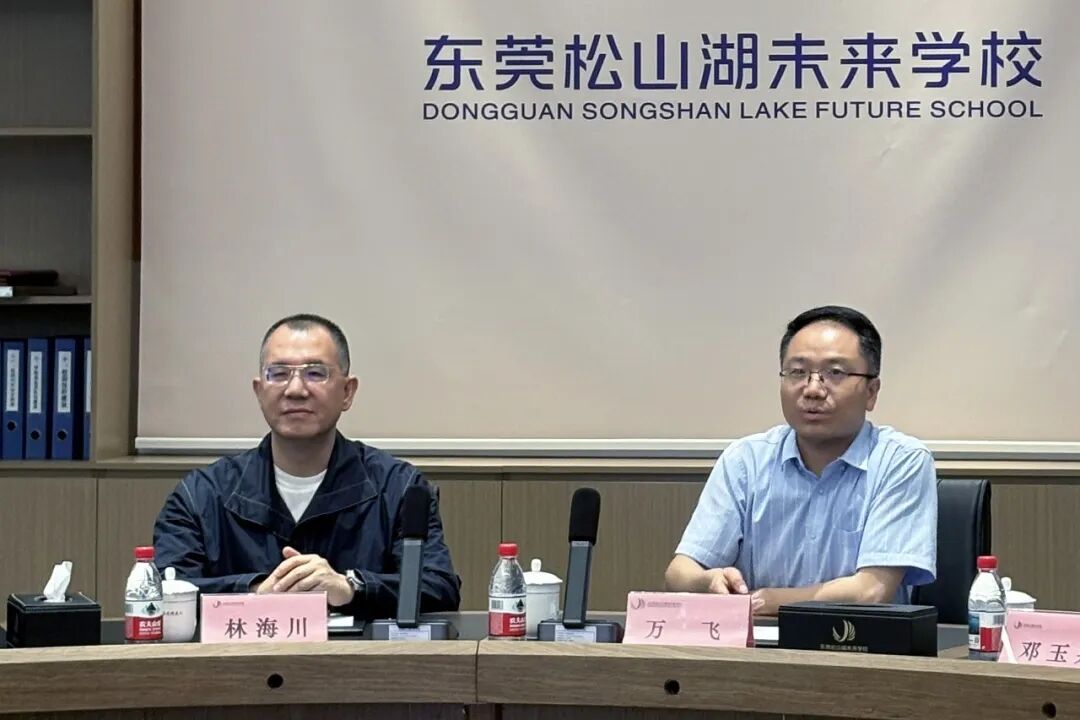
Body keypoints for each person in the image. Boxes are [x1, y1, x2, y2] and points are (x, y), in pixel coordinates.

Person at [153, 313, 461, 618]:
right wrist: (255, 593)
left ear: (347, 392)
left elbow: (439, 587)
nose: (296, 389)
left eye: (315, 373)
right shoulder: (201, 495)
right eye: (278, 373)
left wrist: (350, 587)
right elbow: (163, 593)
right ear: (259, 392)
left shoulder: (398, 487)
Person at [665, 305, 936, 615]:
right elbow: (679, 572)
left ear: (871, 392)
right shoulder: (745, 461)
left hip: (859, 640)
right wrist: (707, 582)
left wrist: (763, 601)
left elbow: (870, 591)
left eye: (835, 373)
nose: (813, 389)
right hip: (758, 642)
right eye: (797, 372)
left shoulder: (901, 461)